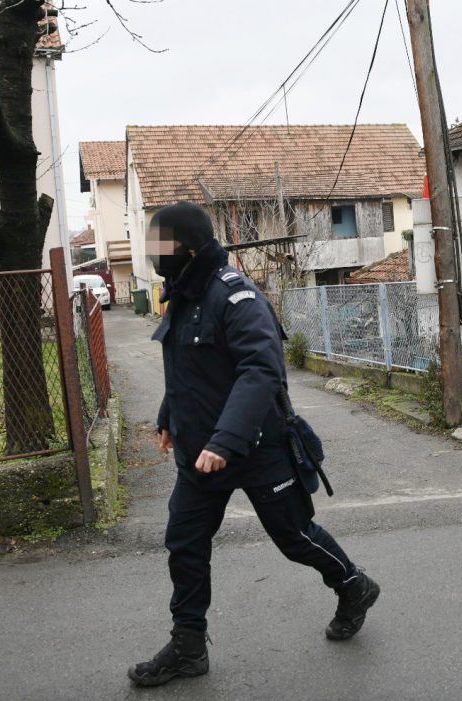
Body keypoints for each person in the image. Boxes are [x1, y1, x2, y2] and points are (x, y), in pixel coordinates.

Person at [128, 202, 379, 687]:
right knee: (184, 544)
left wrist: (226, 440)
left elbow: (261, 370)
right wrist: (168, 418)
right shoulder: (181, 295)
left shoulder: (236, 296)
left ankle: (353, 585)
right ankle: (188, 646)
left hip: (256, 448)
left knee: (294, 536)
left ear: (189, 248)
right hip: (200, 455)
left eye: (161, 244)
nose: (154, 254)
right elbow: (188, 371)